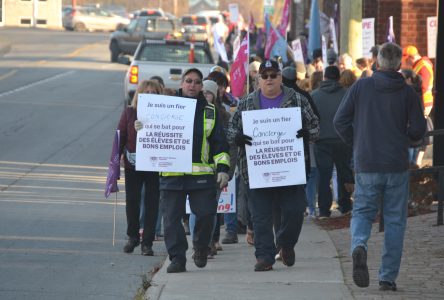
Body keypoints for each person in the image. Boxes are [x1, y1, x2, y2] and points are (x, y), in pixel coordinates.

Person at [333, 42, 426, 291]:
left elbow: (339, 120)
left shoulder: (361, 86)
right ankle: (387, 277)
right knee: (395, 220)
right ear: (399, 65)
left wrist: (357, 143)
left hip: (367, 162)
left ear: (377, 61)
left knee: (363, 212)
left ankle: (359, 246)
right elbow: (418, 130)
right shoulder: (408, 93)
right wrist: (406, 138)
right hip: (396, 163)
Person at [227, 60, 320, 271]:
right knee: (260, 217)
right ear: (258, 79)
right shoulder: (246, 103)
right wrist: (238, 138)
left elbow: (315, 126)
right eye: (265, 75)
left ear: (280, 77)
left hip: (290, 170)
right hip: (256, 170)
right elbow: (230, 131)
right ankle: (265, 257)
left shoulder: (297, 99)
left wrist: (307, 134)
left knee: (295, 211)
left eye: (273, 75)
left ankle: (286, 245)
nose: (269, 79)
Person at [136, 68, 230, 273]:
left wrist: (223, 169)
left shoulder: (210, 111)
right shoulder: (166, 108)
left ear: (201, 86)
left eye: (197, 82)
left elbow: (220, 145)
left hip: (202, 176)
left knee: (206, 215)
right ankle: (178, 259)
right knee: (171, 220)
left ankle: (201, 247)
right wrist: (142, 127)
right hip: (172, 174)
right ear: (181, 84)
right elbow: (152, 131)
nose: (192, 85)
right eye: (188, 81)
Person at [118, 80, 163, 256]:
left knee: (152, 203)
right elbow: (120, 135)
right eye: (147, 92)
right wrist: (117, 159)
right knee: (133, 201)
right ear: (139, 95)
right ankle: (133, 236)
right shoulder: (130, 112)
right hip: (133, 164)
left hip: (154, 164)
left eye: (154, 93)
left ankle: (147, 243)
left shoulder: (164, 114)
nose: (150, 95)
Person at [311, 66, 353, 218]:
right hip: (343, 140)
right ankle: (345, 205)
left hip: (321, 140)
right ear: (338, 78)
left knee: (324, 177)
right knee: (344, 173)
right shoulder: (347, 94)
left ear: (325, 77)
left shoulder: (314, 95)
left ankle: (323, 210)